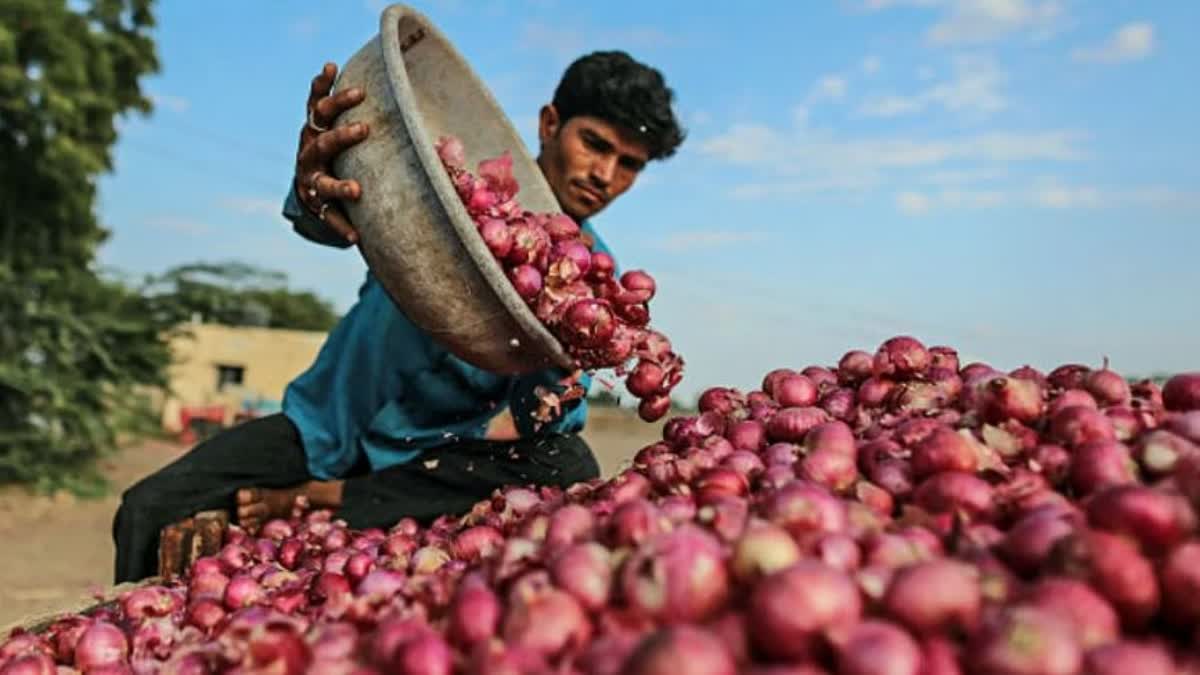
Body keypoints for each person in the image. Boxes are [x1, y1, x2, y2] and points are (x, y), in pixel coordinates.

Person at [111, 50, 686, 583]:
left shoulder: (595, 282)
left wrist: (566, 361)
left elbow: (545, 422)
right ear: (549, 123)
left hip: (434, 457)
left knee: (568, 462)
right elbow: (339, 215)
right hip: (326, 427)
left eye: (628, 164)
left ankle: (332, 498)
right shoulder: (452, 191)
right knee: (148, 507)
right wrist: (316, 186)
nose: (604, 175)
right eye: (594, 144)